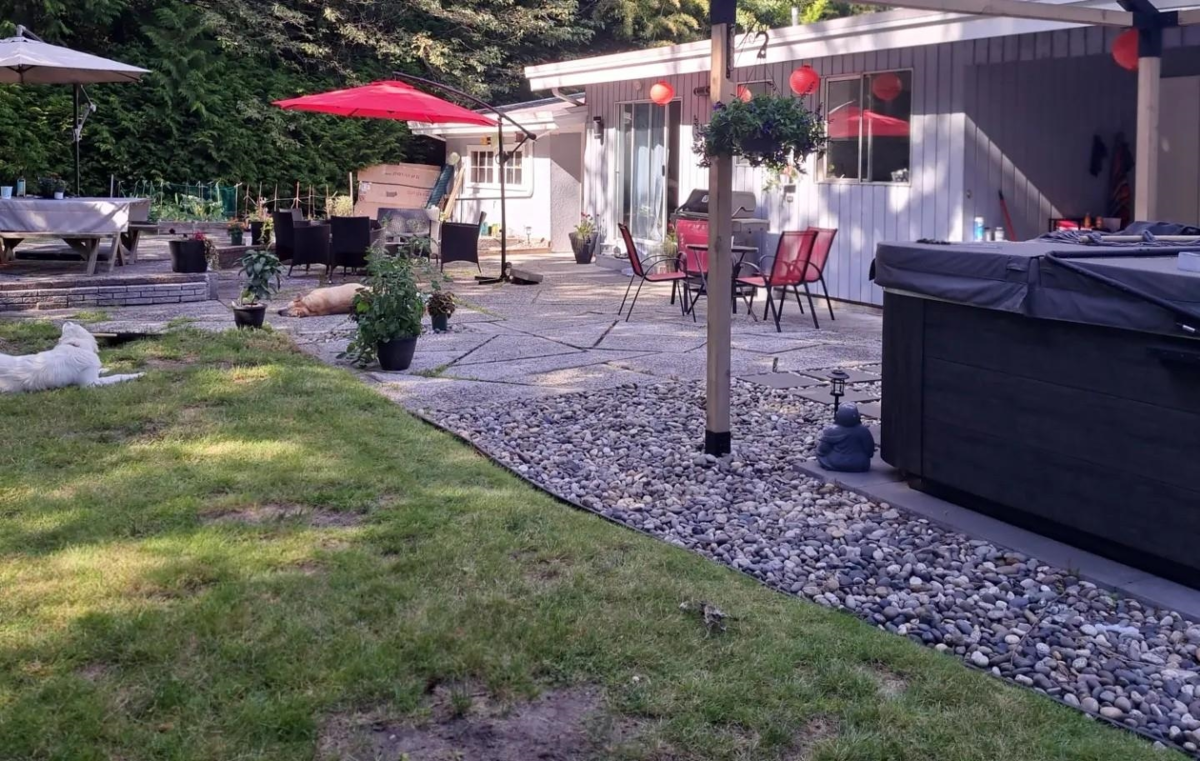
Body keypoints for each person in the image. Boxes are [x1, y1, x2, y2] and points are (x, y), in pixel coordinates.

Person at [816, 403, 875, 472]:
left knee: (819, 454)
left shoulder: (831, 430)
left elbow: (823, 450)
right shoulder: (864, 431)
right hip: (860, 463)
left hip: (836, 461)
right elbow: (870, 451)